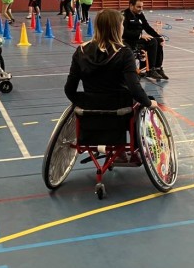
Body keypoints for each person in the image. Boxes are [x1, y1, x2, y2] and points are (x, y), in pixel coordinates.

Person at [64, 9, 157, 163]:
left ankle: (116, 150)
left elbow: (69, 89)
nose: (123, 28)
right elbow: (135, 88)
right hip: (120, 109)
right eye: (122, 25)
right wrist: (149, 103)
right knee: (144, 102)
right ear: (117, 28)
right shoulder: (124, 52)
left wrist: (83, 102)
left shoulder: (81, 51)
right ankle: (138, 148)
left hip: (90, 110)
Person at [122, 0, 167, 80]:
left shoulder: (140, 15)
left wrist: (159, 36)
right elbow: (123, 33)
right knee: (152, 41)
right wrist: (140, 35)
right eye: (138, 7)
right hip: (129, 41)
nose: (141, 9)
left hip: (138, 40)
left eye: (142, 7)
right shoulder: (124, 15)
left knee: (158, 40)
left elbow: (147, 27)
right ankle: (150, 70)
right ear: (131, 6)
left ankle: (158, 68)